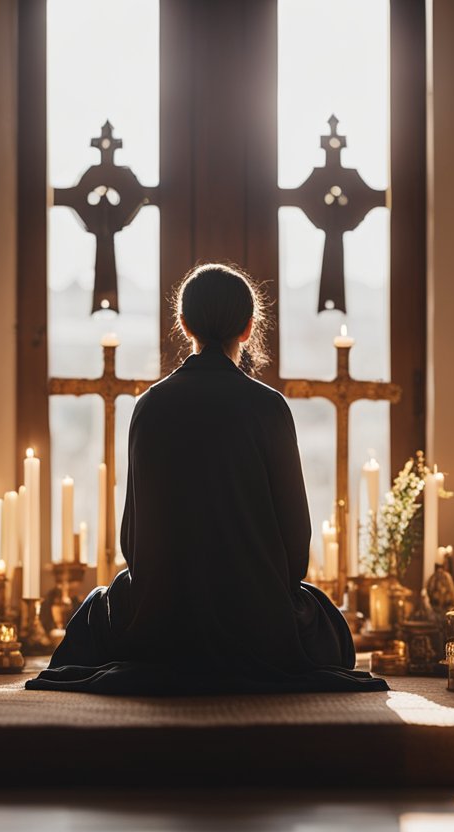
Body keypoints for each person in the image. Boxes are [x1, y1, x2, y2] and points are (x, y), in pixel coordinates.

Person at [26, 264, 388, 695]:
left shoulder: (151, 406)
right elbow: (295, 546)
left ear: (183, 325)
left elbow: (133, 543)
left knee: (94, 610)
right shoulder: (270, 407)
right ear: (249, 328)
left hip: (163, 621)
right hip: (258, 622)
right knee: (327, 620)